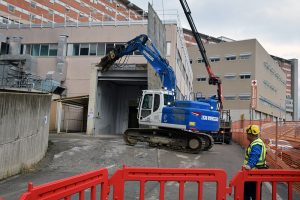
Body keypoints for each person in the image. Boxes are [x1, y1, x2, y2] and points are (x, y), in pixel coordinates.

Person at [243, 125, 267, 200]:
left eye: (247, 134)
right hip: (255, 173)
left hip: (253, 173)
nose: (246, 135)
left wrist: (249, 165)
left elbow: (255, 155)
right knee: (255, 193)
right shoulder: (257, 142)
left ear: (251, 135)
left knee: (250, 193)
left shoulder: (256, 144)